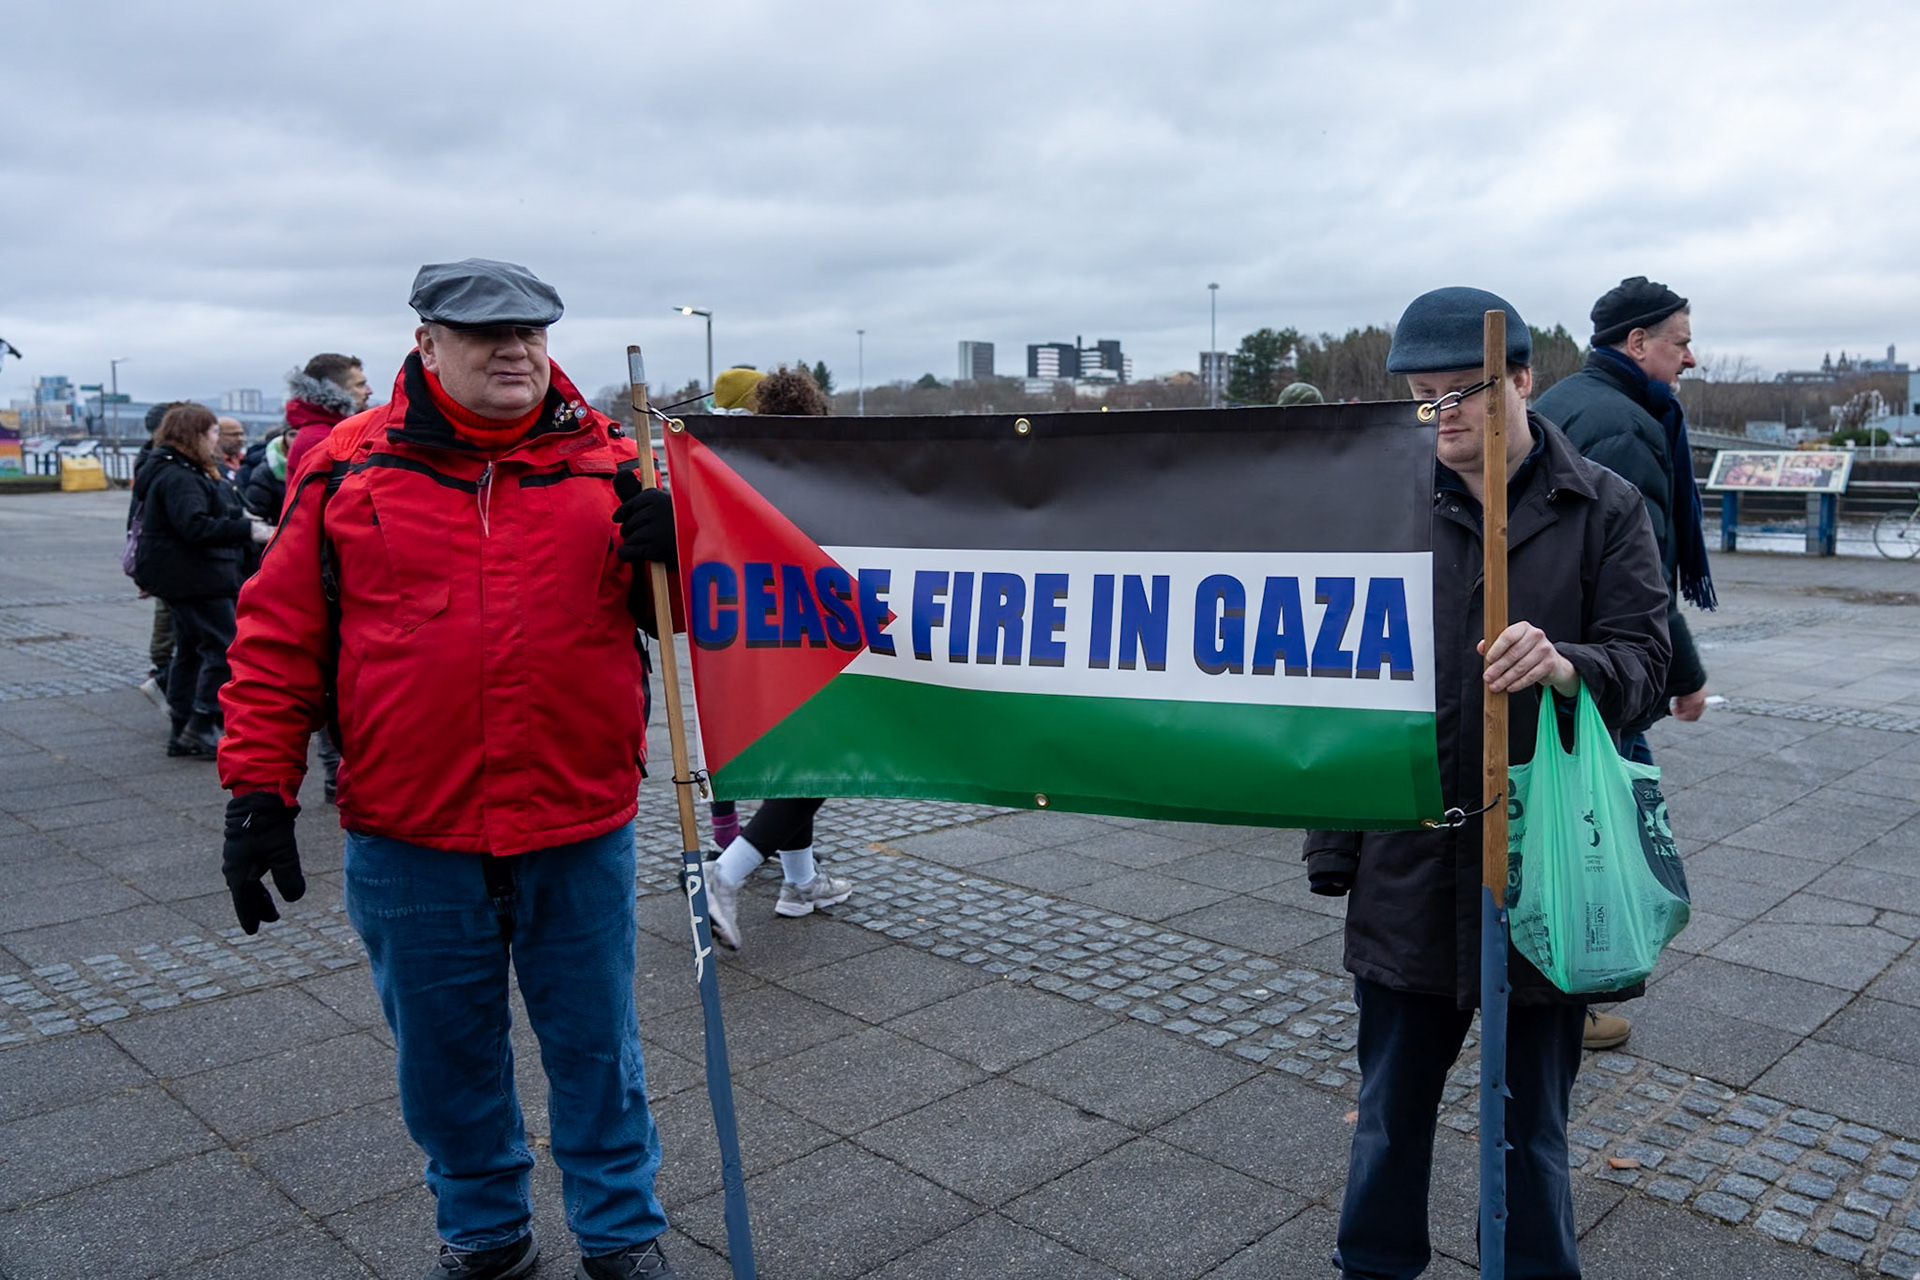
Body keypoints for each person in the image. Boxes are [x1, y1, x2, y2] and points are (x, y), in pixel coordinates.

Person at [216, 259, 681, 1280]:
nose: (514, 349)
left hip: (578, 821)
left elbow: (686, 619)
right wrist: (257, 790)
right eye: (485, 333)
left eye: (531, 332)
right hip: (411, 832)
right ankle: (485, 1230)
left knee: (598, 1046)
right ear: (426, 343)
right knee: (443, 1056)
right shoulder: (345, 466)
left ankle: (619, 1229)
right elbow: (278, 638)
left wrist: (680, 564)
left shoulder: (614, 465)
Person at [1303, 287, 1670, 1280]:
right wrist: (1335, 846)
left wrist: (1567, 666)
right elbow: (1339, 692)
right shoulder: (1382, 511)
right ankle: (1374, 1266)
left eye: (1463, 389)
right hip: (1408, 867)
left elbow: (1646, 665)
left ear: (1522, 379)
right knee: (1389, 1114)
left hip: (1545, 869)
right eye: (1422, 396)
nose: (1443, 413)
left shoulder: (1604, 507)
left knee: (1531, 1128)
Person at [1532, 277, 1714, 1052]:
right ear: (1637, 343)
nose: (1690, 359)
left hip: (1553, 656)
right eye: (1680, 342)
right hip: (1595, 674)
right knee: (1598, 840)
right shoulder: (1628, 427)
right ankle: (1571, 996)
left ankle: (1543, 990)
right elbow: (1642, 581)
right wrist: (1685, 673)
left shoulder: (1565, 402)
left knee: (1545, 832)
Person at [699, 366, 855, 950]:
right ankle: (726, 875)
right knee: (818, 768)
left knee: (795, 765)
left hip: (752, 640)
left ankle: (800, 882)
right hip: (812, 641)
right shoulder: (823, 475)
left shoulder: (742, 471)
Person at [131, 403, 269, 757]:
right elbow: (194, 525)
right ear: (195, 435)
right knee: (224, 647)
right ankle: (202, 723)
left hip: (184, 575)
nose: (215, 439)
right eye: (212, 432)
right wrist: (247, 529)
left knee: (190, 652)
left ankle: (183, 728)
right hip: (195, 576)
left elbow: (198, 513)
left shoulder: (174, 467)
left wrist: (238, 515)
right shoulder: (179, 474)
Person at [131, 401, 188, 708]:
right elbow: (138, 518)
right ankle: (164, 673)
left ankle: (167, 677)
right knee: (173, 618)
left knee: (179, 622)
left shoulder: (154, 461)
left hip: (171, 558)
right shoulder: (162, 466)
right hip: (175, 558)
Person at [282, 351, 372, 481]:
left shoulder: (336, 431)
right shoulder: (318, 439)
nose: (369, 391)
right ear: (336, 390)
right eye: (360, 385)